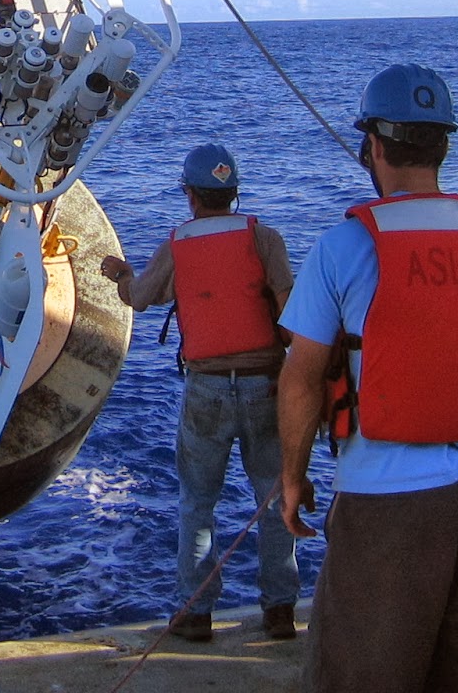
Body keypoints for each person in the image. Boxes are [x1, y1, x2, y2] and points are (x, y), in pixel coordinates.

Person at [276, 64, 458, 693]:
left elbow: (300, 380)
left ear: (371, 145)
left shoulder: (343, 247)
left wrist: (292, 478)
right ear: (444, 145)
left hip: (383, 508)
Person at [99, 142, 300, 643]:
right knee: (274, 498)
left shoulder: (177, 245)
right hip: (267, 384)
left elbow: (141, 300)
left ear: (190, 196)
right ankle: (279, 611)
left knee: (197, 504)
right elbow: (293, 319)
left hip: (207, 389)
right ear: (233, 194)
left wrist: (123, 275)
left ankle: (195, 612)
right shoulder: (264, 239)